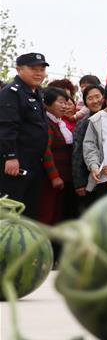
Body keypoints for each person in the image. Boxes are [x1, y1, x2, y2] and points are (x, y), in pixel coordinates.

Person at [0, 53, 50, 217]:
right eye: (33, 69)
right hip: (16, 164)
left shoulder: (35, 93)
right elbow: (7, 126)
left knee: (27, 212)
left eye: (42, 69)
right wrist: (10, 156)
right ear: (19, 69)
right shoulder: (12, 92)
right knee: (10, 211)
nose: (39, 73)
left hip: (33, 164)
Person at [39, 87, 76, 224]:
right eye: (60, 102)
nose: (65, 106)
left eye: (66, 102)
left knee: (57, 214)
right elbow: (46, 151)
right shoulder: (47, 124)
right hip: (51, 179)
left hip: (63, 178)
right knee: (47, 213)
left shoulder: (59, 123)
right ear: (48, 103)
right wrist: (54, 176)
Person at [72, 83, 105, 204]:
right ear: (85, 102)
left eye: (97, 96)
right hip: (89, 178)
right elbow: (77, 153)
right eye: (90, 98)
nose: (95, 101)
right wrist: (79, 182)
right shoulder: (84, 123)